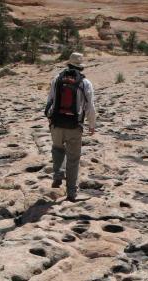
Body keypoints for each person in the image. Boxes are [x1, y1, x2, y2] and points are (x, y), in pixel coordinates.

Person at [45, 52, 96, 202]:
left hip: (57, 123)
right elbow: (90, 107)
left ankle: (58, 173)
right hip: (74, 125)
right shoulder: (85, 83)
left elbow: (50, 101)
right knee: (73, 159)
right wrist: (92, 125)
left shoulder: (57, 79)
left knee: (57, 148)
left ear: (68, 64)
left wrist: (50, 120)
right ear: (81, 67)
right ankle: (71, 193)